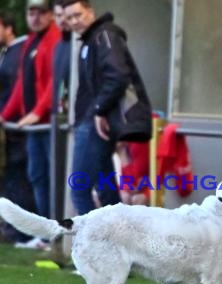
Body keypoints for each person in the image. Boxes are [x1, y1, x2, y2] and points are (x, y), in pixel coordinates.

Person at [62, 0, 151, 214]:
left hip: (94, 123)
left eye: (78, 14)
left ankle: (96, 243)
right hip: (92, 121)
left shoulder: (104, 35)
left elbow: (118, 76)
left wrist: (99, 109)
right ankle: (115, 243)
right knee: (107, 192)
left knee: (80, 190)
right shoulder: (91, 40)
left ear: (90, 12)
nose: (75, 21)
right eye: (69, 17)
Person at [0, 0, 61, 220]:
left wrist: (38, 112)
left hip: (50, 124)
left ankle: (57, 229)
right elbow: (22, 83)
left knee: (53, 178)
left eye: (41, 12)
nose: (35, 17)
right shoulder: (30, 41)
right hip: (34, 126)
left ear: (50, 15)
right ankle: (46, 229)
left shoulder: (55, 39)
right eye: (31, 12)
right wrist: (5, 114)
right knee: (37, 176)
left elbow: (54, 82)